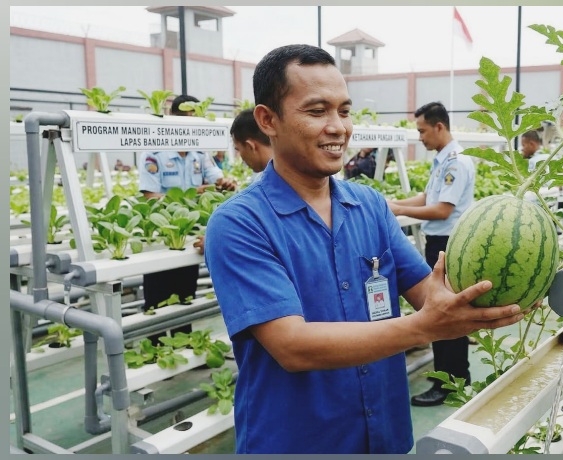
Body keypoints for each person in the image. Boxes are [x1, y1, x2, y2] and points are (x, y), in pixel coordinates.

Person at [204, 44, 526, 454]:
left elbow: (426, 290)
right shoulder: (239, 223)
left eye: (344, 110)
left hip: (385, 435)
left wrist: (490, 296)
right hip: (296, 441)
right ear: (268, 120)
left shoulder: (369, 206)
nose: (338, 126)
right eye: (317, 111)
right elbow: (291, 346)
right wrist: (425, 326)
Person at [387, 101, 476, 407]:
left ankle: (450, 384)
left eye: (423, 131)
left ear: (439, 127)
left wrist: (397, 208)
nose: (420, 138)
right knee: (442, 308)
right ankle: (450, 376)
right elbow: (428, 196)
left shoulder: (456, 163)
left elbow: (441, 209)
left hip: (448, 244)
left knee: (442, 312)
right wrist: (395, 202)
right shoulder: (443, 161)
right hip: (439, 243)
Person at [138, 94, 237, 314]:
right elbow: (150, 199)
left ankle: (183, 340)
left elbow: (215, 176)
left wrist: (225, 183)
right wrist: (192, 195)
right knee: (157, 300)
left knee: (186, 297)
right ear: (174, 119)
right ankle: (155, 343)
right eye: (187, 120)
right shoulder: (154, 153)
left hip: (190, 234)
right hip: (163, 238)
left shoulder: (200, 153)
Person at [193, 109, 274, 255]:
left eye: (238, 149)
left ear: (250, 146)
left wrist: (217, 242)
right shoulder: (288, 174)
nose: (241, 156)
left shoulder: (264, 183)